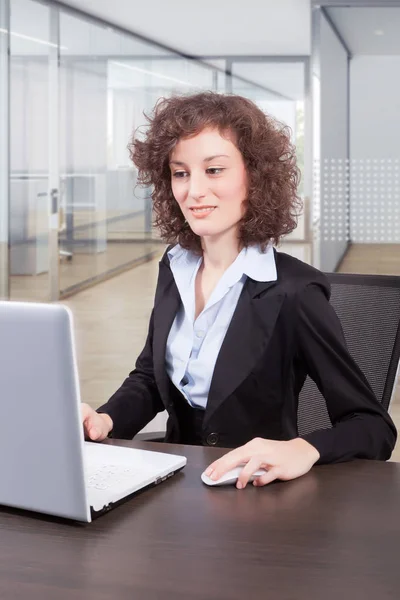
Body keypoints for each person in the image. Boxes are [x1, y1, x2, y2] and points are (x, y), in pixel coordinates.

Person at [81, 92, 396, 489]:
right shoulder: (175, 266)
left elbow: (372, 426)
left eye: (214, 170)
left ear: (256, 176)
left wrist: (304, 448)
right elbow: (150, 378)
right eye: (180, 173)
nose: (193, 190)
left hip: (254, 493)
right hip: (177, 481)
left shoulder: (294, 292)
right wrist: (105, 419)